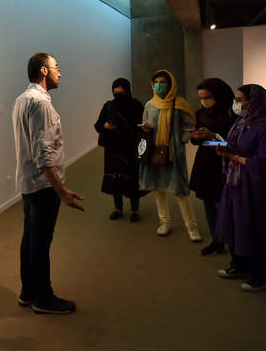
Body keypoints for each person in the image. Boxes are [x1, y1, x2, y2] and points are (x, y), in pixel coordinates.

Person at [12, 52, 84, 314]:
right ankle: (43, 298)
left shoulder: (22, 100)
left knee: (30, 239)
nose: (59, 73)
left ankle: (28, 292)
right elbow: (43, 155)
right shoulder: (40, 103)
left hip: (29, 183)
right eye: (56, 67)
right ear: (43, 70)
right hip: (43, 187)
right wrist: (62, 191)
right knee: (40, 243)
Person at [215, 84, 266, 292]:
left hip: (257, 185)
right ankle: (239, 264)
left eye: (240, 100)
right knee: (234, 221)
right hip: (236, 181)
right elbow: (236, 145)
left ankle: (261, 275)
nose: (236, 104)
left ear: (254, 102)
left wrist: (232, 156)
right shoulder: (241, 122)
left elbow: (263, 162)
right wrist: (222, 147)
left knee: (256, 225)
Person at [138, 70, 201, 241]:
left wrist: (183, 139)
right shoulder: (149, 104)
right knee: (158, 190)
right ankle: (164, 222)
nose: (158, 85)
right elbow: (145, 122)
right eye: (156, 82)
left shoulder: (180, 103)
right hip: (154, 152)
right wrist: (146, 128)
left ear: (170, 84)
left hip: (174, 153)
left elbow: (190, 125)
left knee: (181, 191)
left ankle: (191, 227)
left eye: (162, 82)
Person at [189, 78, 236, 255]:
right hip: (205, 163)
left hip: (224, 164)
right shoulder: (201, 113)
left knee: (222, 205)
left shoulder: (231, 115)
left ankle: (232, 244)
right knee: (208, 203)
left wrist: (213, 136)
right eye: (201, 98)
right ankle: (216, 240)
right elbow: (197, 141)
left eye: (207, 97)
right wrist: (196, 137)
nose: (204, 102)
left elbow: (232, 144)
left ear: (218, 95)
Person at [94, 78, 145, 222]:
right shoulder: (108, 106)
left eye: (121, 93)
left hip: (130, 148)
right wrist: (106, 126)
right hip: (113, 150)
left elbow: (142, 126)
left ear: (127, 91)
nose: (118, 96)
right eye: (115, 93)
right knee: (115, 179)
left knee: (132, 179)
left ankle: (135, 210)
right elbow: (98, 124)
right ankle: (118, 209)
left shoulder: (136, 105)